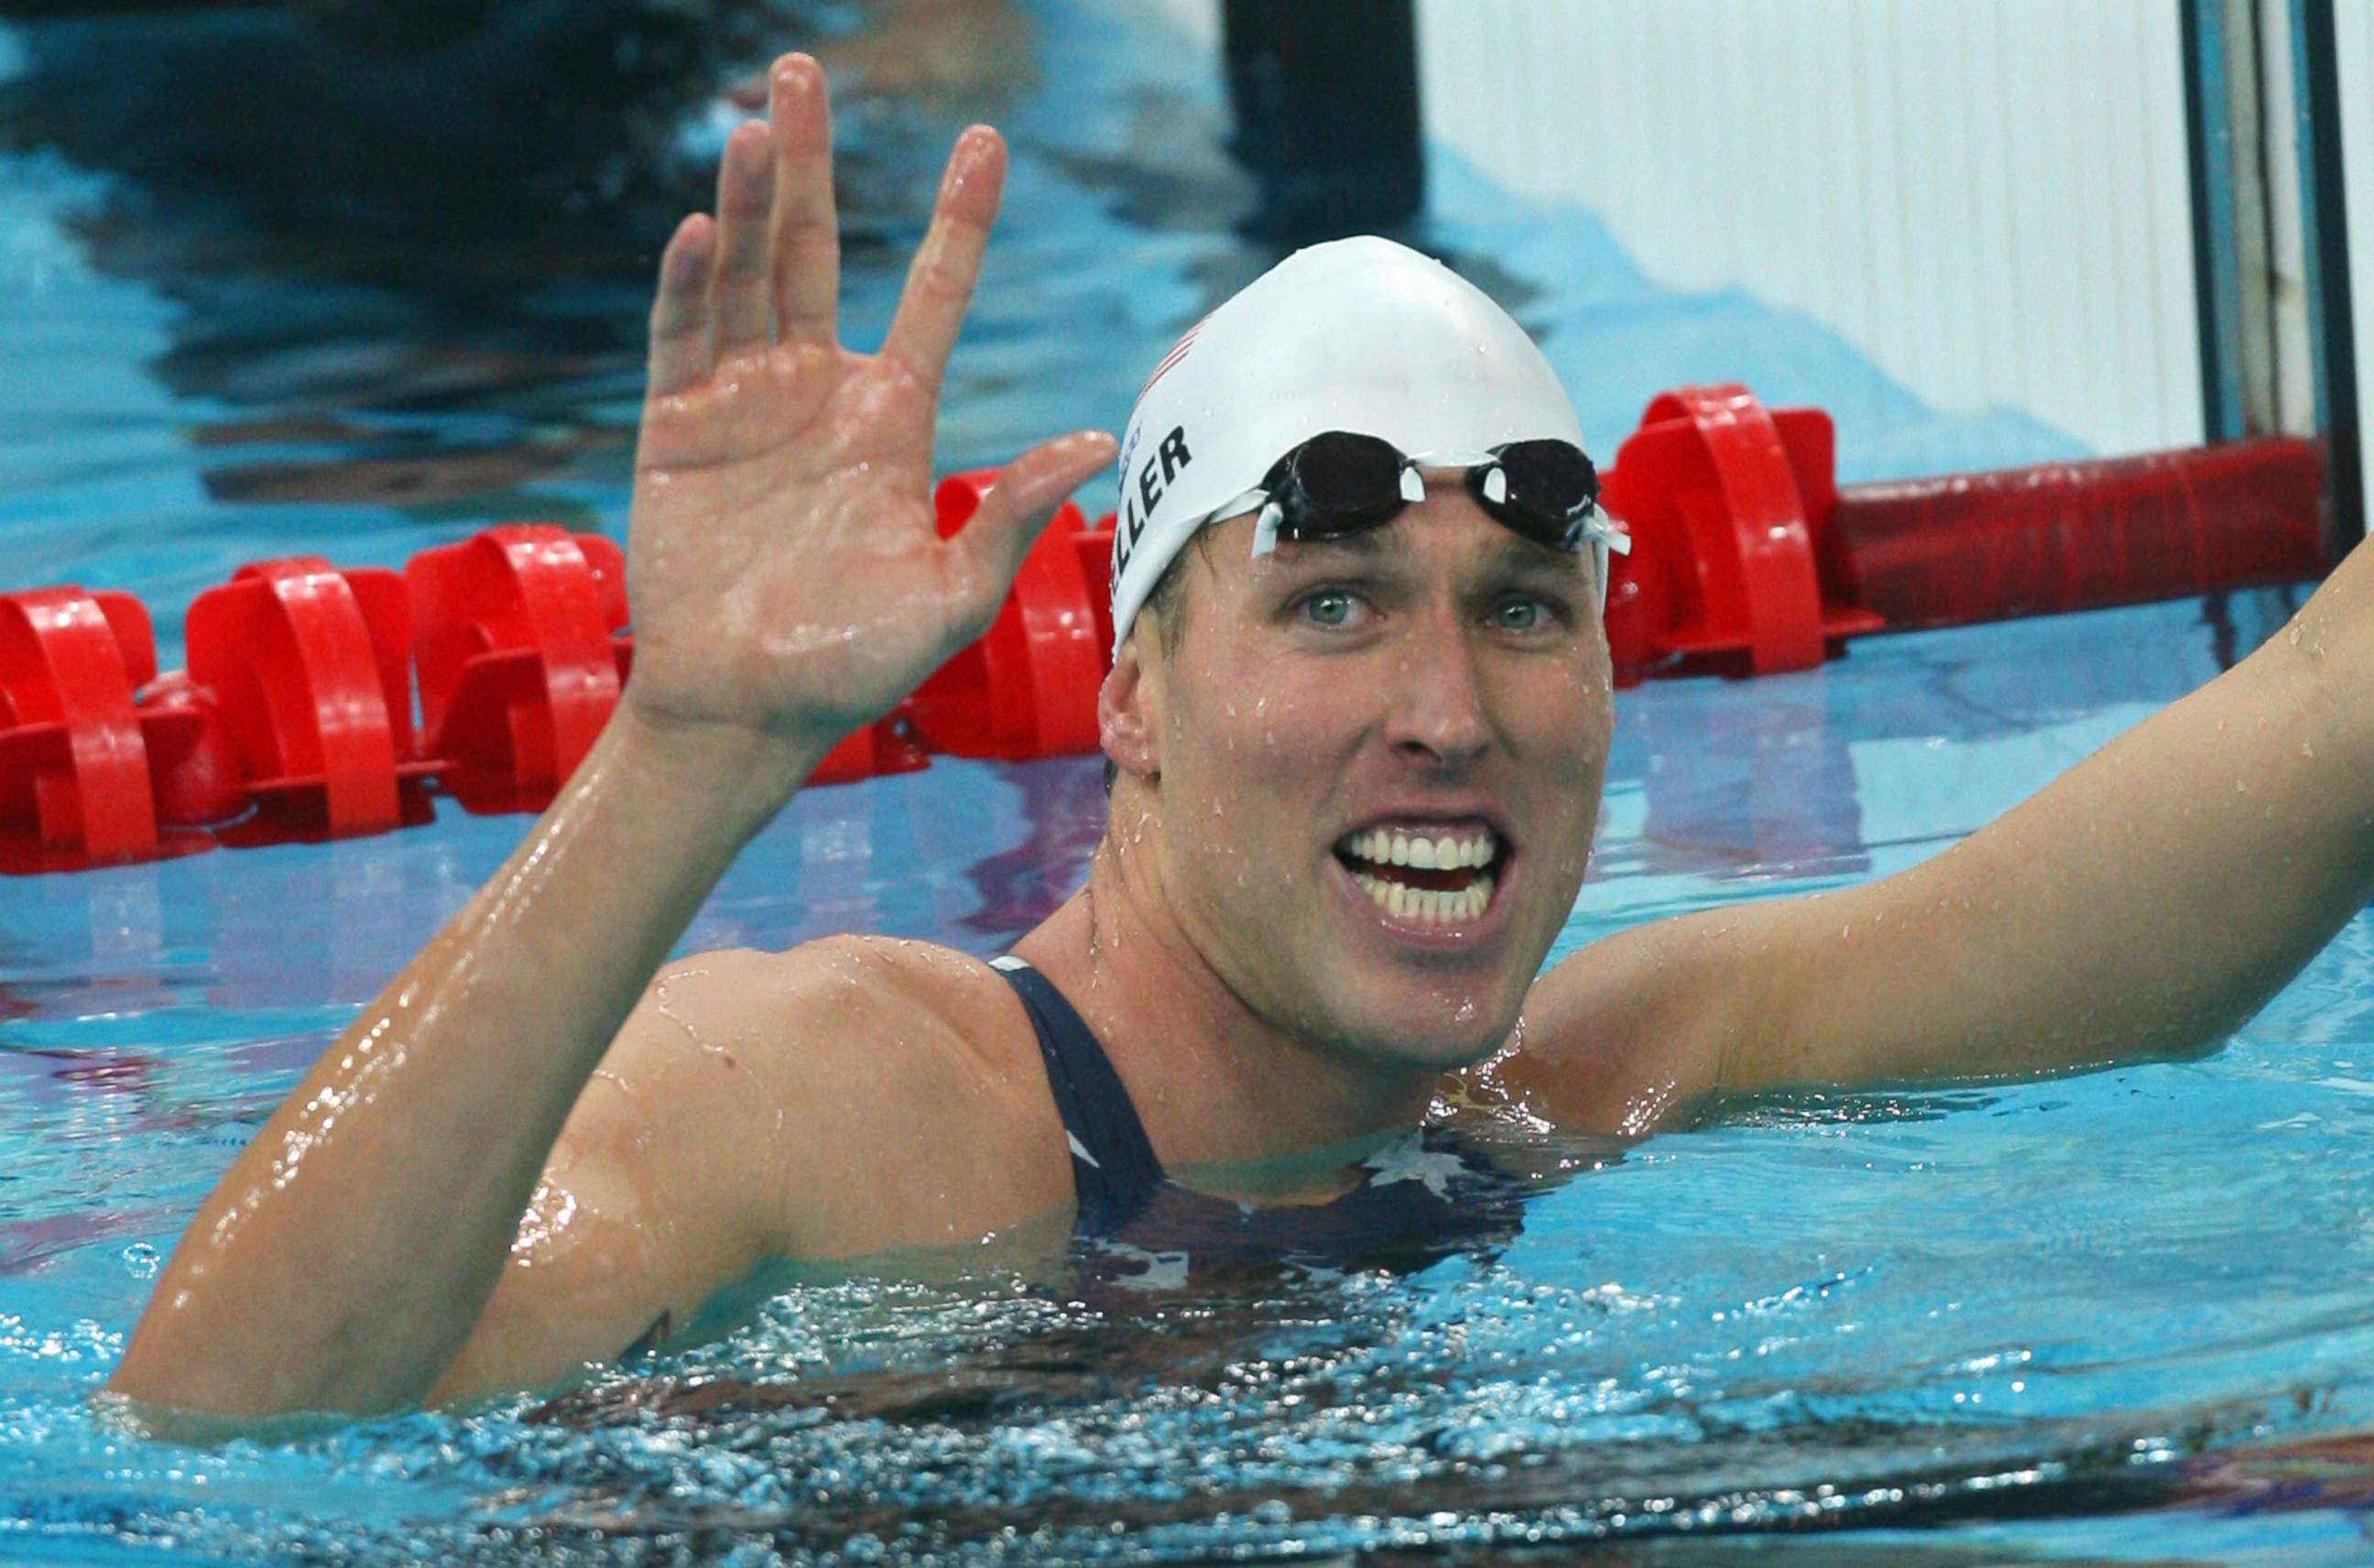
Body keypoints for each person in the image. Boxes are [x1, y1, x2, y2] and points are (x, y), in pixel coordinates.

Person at [105, 53, 2374, 1421]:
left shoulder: (1575, 1097)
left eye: (1518, 614)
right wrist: (690, 743)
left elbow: (2301, 741)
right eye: (1332, 606)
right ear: (1128, 702)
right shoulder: (848, 1100)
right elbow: (230, 1422)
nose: (1447, 712)